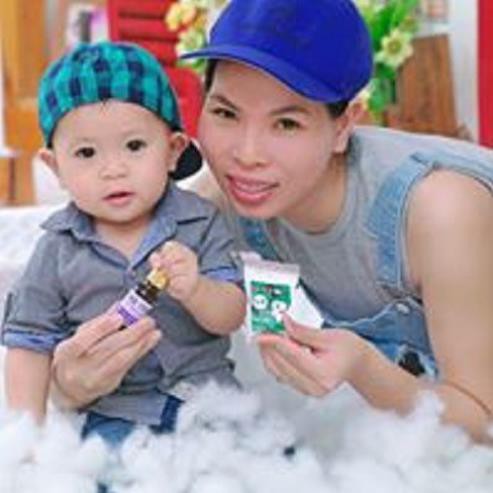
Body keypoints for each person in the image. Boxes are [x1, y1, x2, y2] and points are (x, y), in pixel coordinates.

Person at [51, 0, 493, 442]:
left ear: (344, 126)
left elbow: (482, 420)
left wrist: (362, 368)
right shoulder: (219, 202)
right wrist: (70, 384)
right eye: (226, 113)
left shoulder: (440, 211)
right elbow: (120, 307)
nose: (247, 155)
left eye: (286, 124)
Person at [1, 41, 246, 445]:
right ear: (55, 166)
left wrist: (198, 289)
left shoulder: (200, 221)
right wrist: (27, 440)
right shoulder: (56, 249)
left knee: (270, 462)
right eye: (86, 153)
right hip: (116, 412)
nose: (113, 169)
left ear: (173, 150)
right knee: (110, 473)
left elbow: (231, 316)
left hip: (210, 400)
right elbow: (28, 344)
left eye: (134, 146)